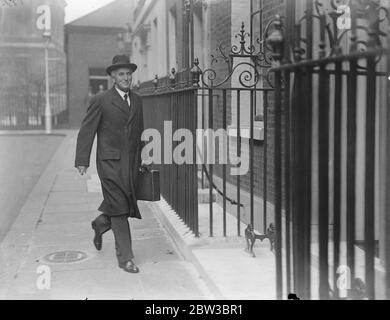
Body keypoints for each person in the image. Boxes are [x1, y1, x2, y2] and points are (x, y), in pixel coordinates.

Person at [75, 54, 146, 273]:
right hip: (110, 163)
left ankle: (100, 224)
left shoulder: (138, 100)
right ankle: (125, 258)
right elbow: (87, 131)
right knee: (119, 208)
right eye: (121, 74)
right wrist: (82, 160)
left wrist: (144, 156)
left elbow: (139, 132)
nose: (126, 78)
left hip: (131, 163)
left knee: (122, 205)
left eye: (129, 74)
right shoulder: (101, 100)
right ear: (113, 77)